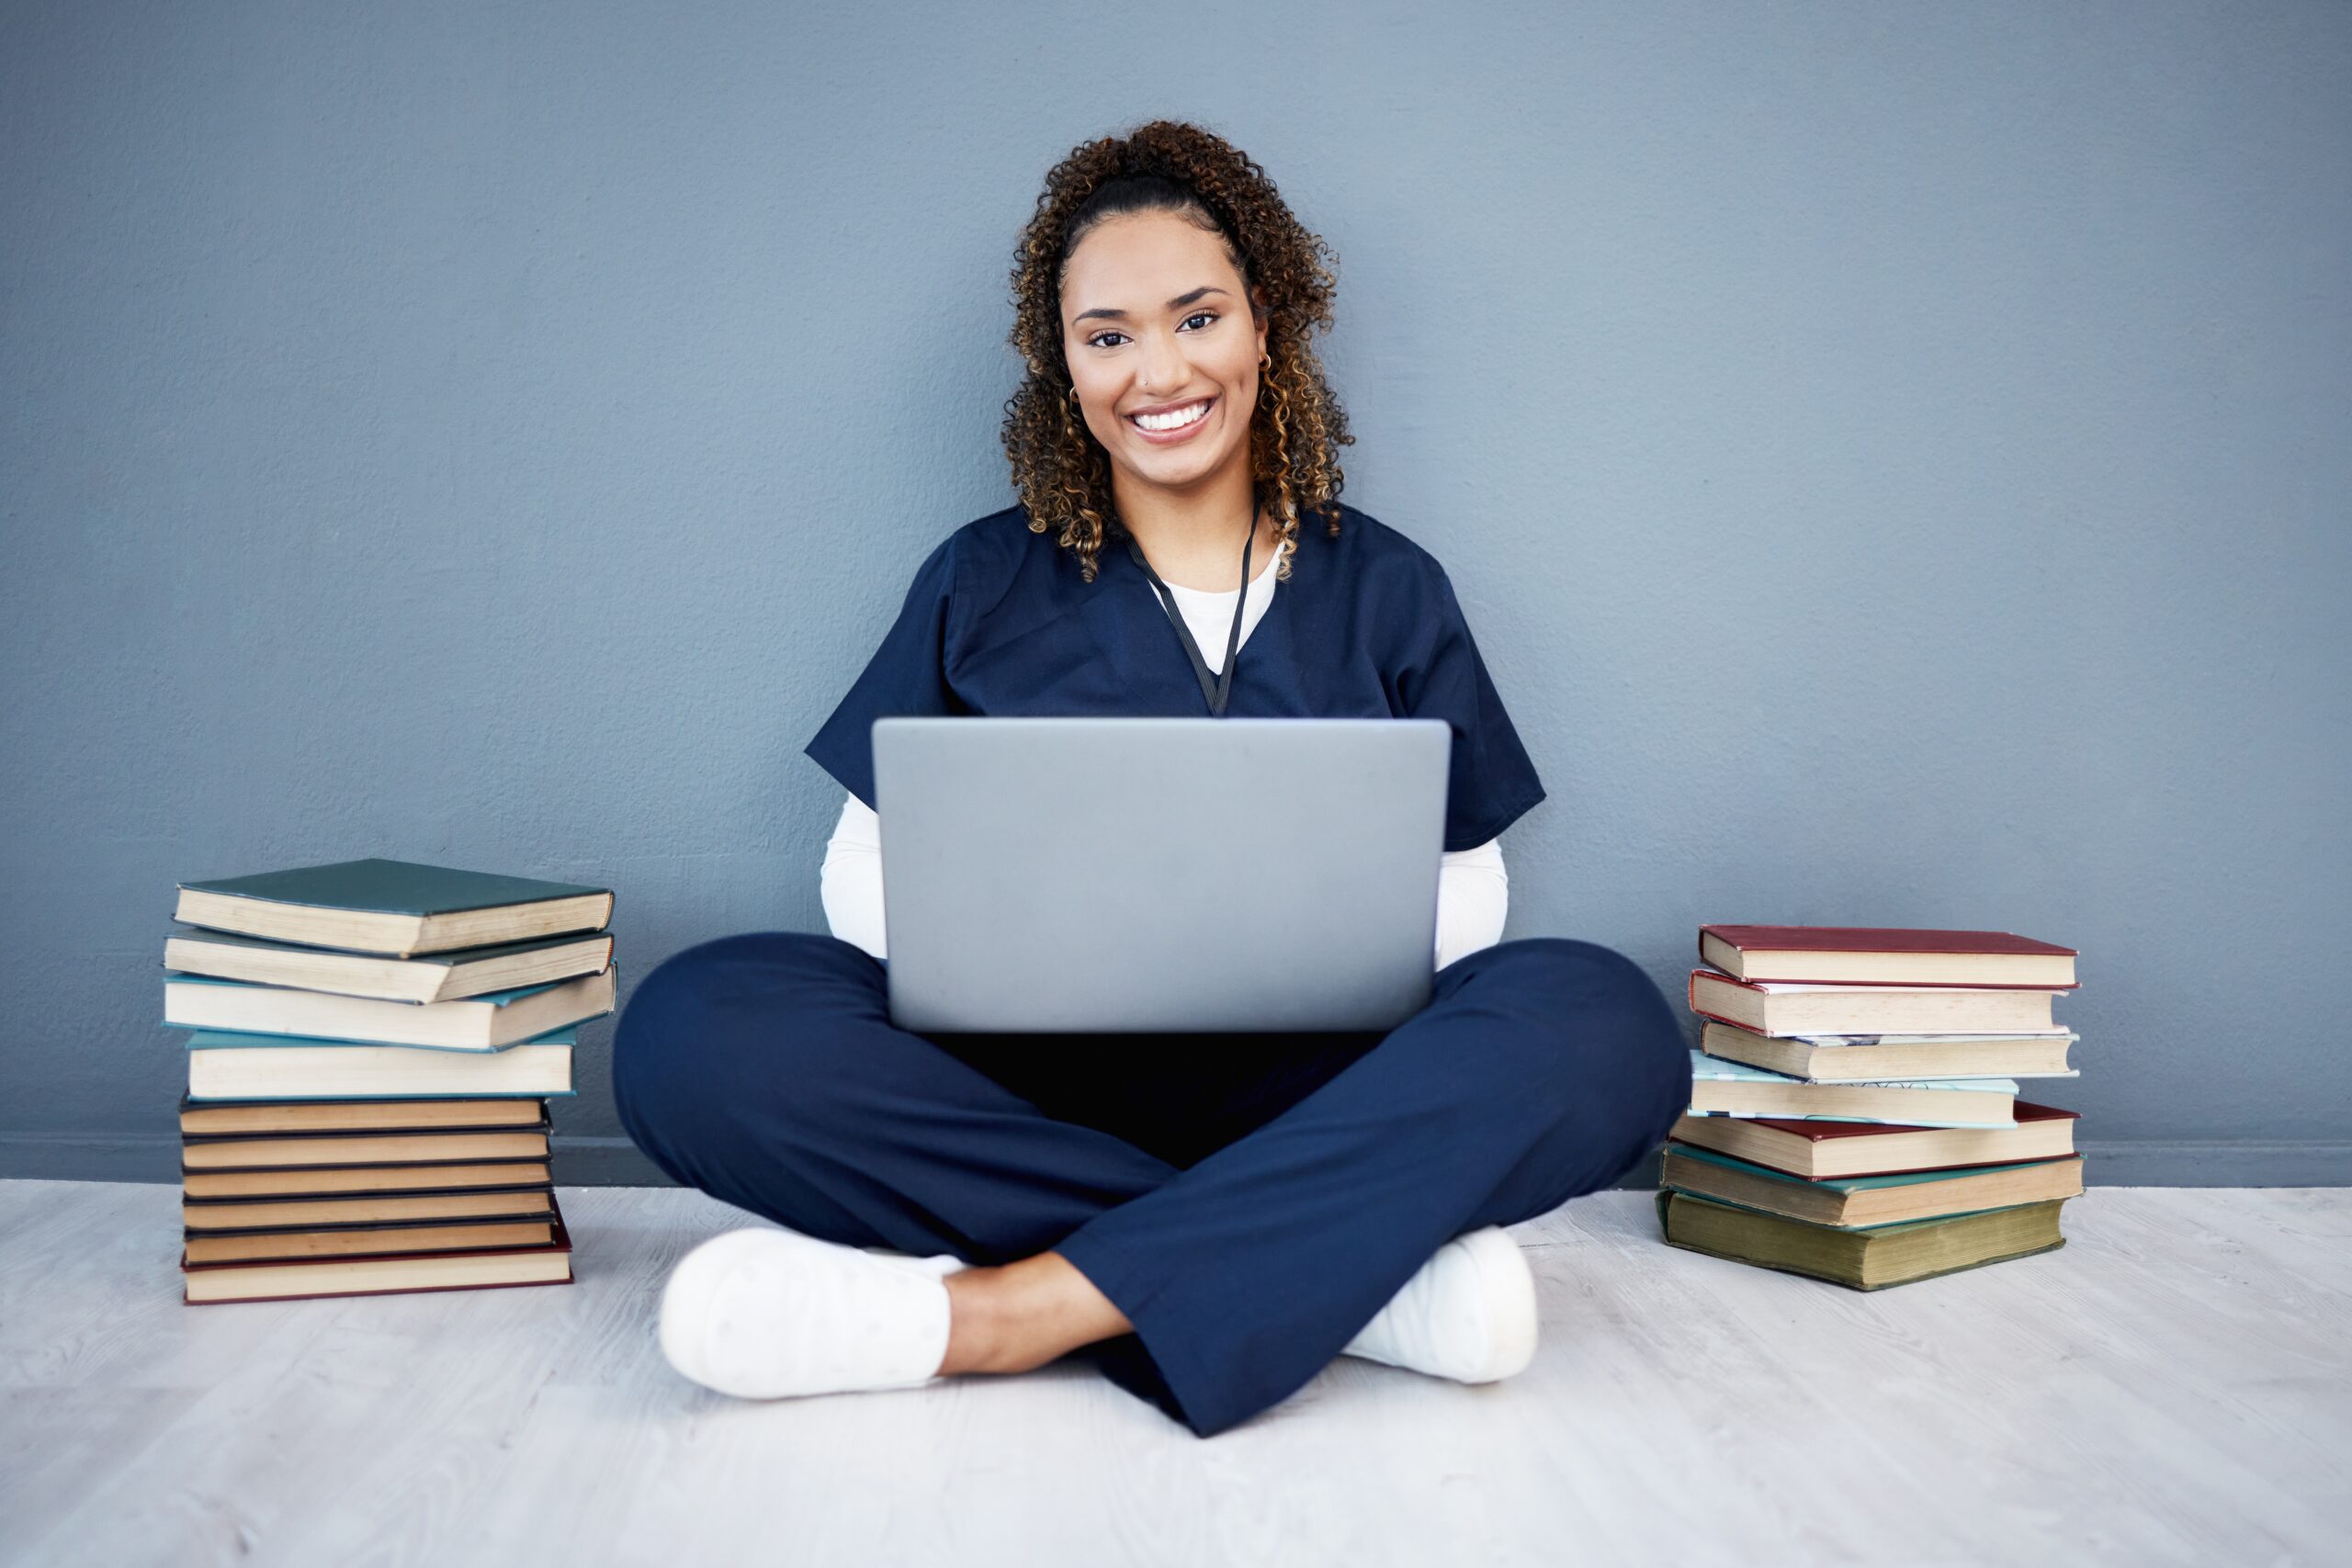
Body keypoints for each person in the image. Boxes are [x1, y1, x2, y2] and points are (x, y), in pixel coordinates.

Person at [613, 119, 1690, 1439]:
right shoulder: (981, 579)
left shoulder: (1389, 586)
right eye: (1107, 335)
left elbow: (1471, 888)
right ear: (1063, 368)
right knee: (693, 1029)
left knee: (1602, 1021)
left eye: (1197, 318)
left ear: (1266, 326)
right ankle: (1343, 1280)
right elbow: (858, 871)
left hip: (1322, 1092)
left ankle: (1009, 1311)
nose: (1157, 370)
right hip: (1016, 1093)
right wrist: (1023, 959)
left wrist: (1312, 954)